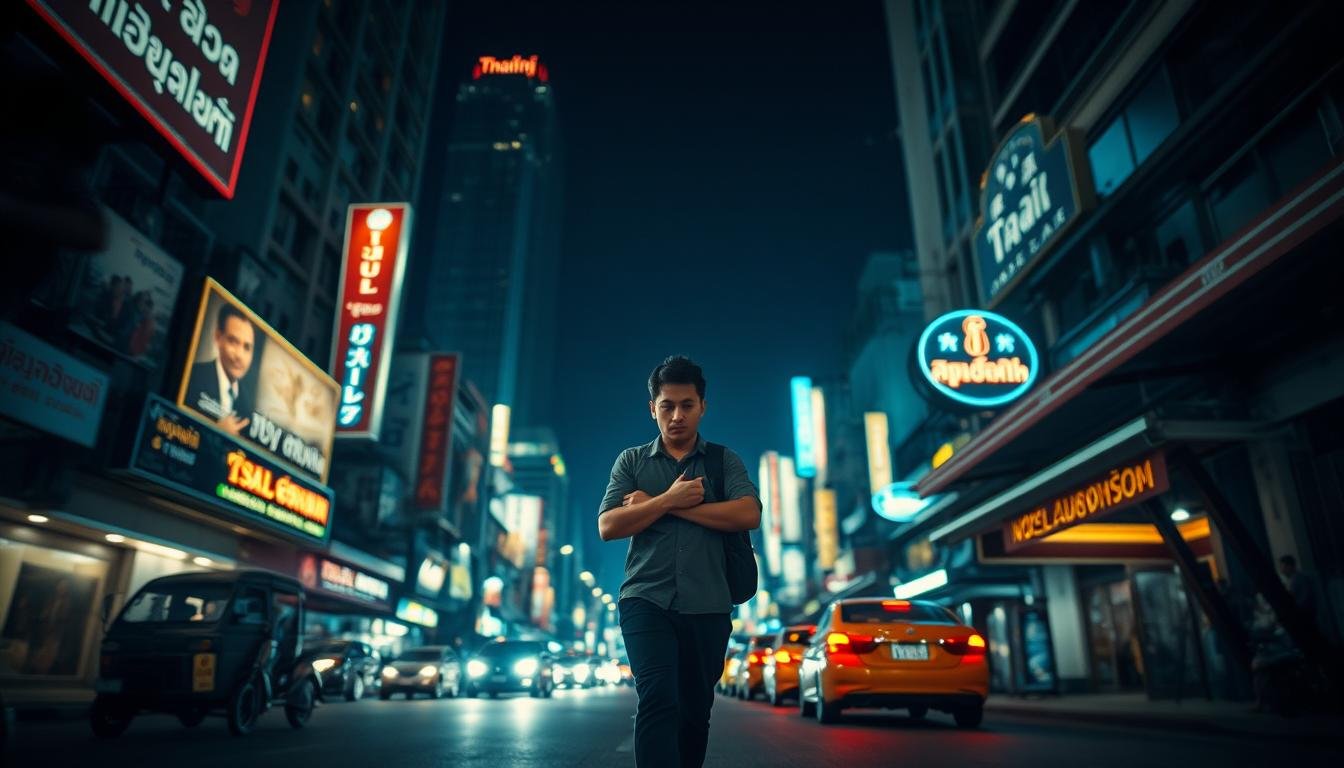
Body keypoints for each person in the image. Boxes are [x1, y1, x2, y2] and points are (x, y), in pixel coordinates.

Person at [598, 355, 761, 768]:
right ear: (652, 408)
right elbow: (609, 525)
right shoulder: (632, 462)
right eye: (667, 405)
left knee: (694, 711)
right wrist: (671, 498)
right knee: (658, 697)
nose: (676, 416)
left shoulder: (723, 461)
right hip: (645, 600)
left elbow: (748, 514)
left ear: (702, 406)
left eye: (687, 405)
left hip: (708, 603)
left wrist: (658, 507)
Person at [184, 303, 257, 435]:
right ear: (218, 337)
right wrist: (215, 430)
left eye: (247, 347)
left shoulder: (247, 406)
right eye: (233, 342)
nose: (239, 355)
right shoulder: (193, 376)